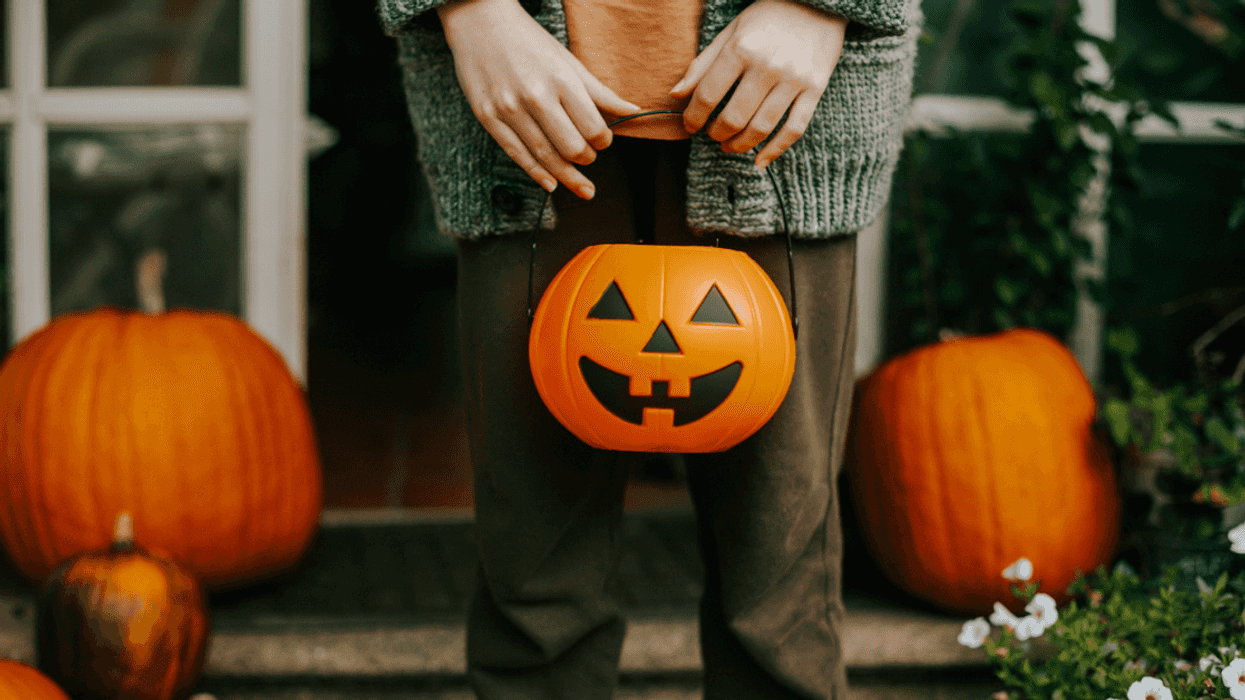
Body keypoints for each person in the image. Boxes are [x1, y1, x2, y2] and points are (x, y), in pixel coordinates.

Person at [376, 0, 920, 697]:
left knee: (781, 578)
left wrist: (816, 7)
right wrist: (473, 10)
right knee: (531, 579)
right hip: (521, 117)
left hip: (780, 114)